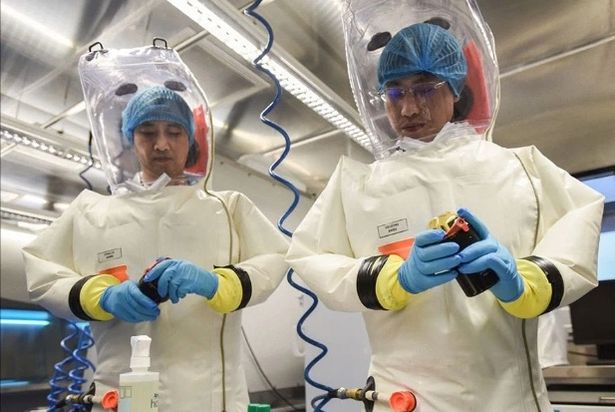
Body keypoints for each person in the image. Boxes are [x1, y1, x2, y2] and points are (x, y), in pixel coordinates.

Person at [286, 7, 604, 412]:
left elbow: (579, 231)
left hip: (507, 399)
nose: (409, 109)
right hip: (404, 400)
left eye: (425, 87)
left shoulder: (521, 169)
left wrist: (523, 283)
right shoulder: (357, 187)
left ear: (456, 88)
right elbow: (309, 257)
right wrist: (395, 278)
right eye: (395, 92)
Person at [23, 46, 288, 411]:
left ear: (191, 140)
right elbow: (41, 275)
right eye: (147, 132)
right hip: (119, 397)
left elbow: (275, 261)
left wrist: (217, 283)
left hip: (213, 399)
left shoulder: (227, 208)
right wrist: (101, 296)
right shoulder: (91, 212)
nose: (161, 144)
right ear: (131, 139)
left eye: (174, 132)